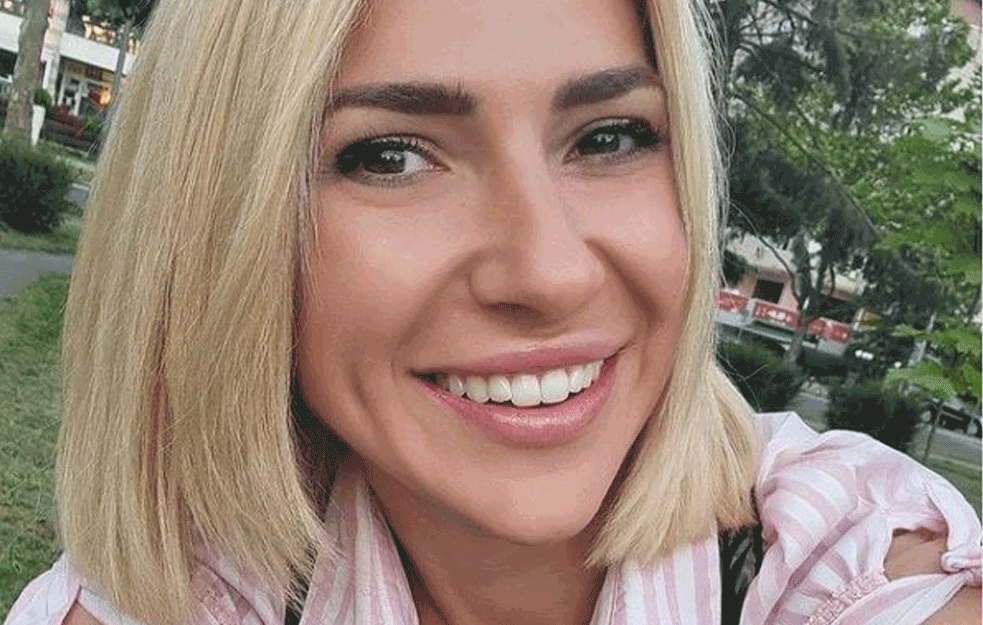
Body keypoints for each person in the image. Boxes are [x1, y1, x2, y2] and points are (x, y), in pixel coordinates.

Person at [5, 0, 981, 623]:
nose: (549, 273)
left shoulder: (854, 563)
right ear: (215, 225)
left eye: (608, 137)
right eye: (388, 155)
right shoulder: (190, 592)